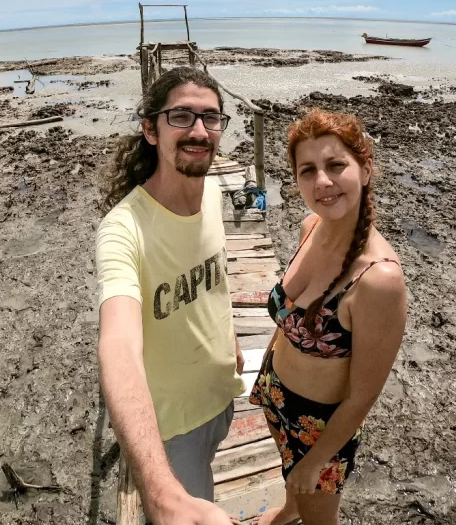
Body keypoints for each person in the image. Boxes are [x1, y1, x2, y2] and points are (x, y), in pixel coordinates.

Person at [96, 67, 245, 525]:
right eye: (181, 117)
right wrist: (159, 495)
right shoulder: (123, 230)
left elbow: (213, 284)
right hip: (172, 426)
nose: (199, 131)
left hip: (222, 392)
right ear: (150, 129)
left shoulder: (215, 192)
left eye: (211, 118)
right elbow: (118, 342)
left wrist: (232, 342)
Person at [249, 109, 408, 525]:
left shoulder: (379, 280)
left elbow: (362, 396)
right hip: (275, 393)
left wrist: (315, 461)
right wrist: (265, 377)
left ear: (366, 170)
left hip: (320, 428)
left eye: (336, 165)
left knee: (320, 518)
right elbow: (291, 318)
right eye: (308, 170)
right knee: (294, 491)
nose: (322, 181)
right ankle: (287, 513)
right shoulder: (310, 225)